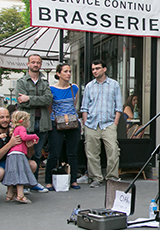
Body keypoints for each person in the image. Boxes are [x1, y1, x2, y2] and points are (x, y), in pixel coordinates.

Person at [80, 59, 123, 188]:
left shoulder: (114, 85)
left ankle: (111, 178)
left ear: (104, 69)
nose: (95, 71)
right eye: (93, 69)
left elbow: (118, 106)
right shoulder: (89, 86)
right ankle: (96, 178)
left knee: (113, 151)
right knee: (92, 152)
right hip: (92, 124)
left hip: (108, 124)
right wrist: (85, 122)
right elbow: (84, 107)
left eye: (97, 68)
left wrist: (115, 123)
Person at [15, 54, 52, 192]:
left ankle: (34, 183)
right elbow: (20, 101)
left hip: (42, 123)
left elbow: (48, 100)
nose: (36, 65)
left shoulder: (45, 82)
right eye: (33, 62)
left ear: (40, 65)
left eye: (38, 62)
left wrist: (28, 98)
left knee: (37, 155)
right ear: (28, 64)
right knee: (24, 154)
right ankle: (23, 184)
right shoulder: (21, 82)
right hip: (26, 124)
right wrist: (37, 100)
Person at [0, 107, 34, 200]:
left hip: (12, 162)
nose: (5, 120)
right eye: (1, 117)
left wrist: (29, 145)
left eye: (7, 117)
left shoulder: (16, 129)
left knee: (32, 165)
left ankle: (14, 190)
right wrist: (9, 144)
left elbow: (29, 156)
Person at [45, 63, 81, 191]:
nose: (68, 74)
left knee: (72, 153)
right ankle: (49, 180)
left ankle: (73, 180)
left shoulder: (74, 88)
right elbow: (49, 107)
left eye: (70, 71)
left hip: (72, 122)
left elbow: (74, 104)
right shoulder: (51, 89)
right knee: (54, 152)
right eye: (65, 71)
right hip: (57, 122)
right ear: (58, 74)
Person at [2, 111, 39, 204]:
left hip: (11, 154)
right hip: (18, 154)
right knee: (20, 173)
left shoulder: (15, 129)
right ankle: (20, 195)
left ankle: (9, 195)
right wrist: (34, 136)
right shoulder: (22, 128)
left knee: (12, 173)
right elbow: (24, 137)